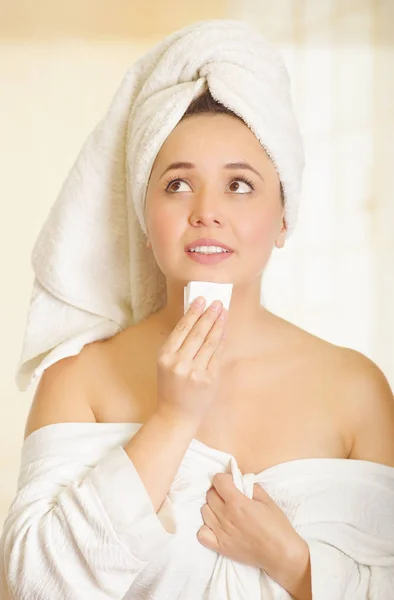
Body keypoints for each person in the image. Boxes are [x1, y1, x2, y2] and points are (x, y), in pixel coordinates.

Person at [1, 19, 394, 600]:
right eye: (178, 184)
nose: (207, 211)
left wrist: (296, 566)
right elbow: (28, 585)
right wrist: (171, 420)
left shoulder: (356, 388)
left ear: (284, 217)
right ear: (143, 213)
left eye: (240, 185)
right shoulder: (78, 379)